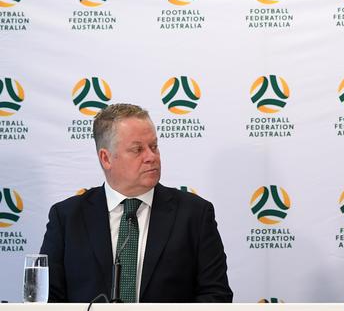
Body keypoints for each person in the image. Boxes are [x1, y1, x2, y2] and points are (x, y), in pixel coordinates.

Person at [40, 103, 233, 303]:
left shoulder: (194, 214)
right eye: (137, 149)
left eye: (154, 147)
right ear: (106, 158)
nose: (151, 157)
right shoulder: (67, 217)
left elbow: (216, 296)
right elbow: (46, 298)